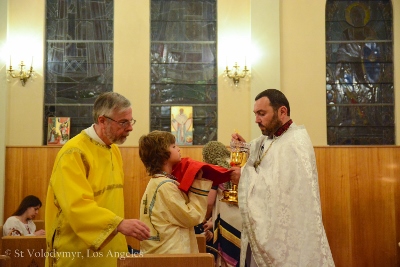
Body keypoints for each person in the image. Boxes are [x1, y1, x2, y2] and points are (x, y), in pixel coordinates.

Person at [230, 89, 335, 267]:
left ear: (282, 112)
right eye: (255, 114)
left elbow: (281, 192)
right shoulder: (269, 139)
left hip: (289, 240)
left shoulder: (295, 143)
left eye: (262, 114)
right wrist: (245, 147)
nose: (256, 120)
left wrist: (245, 178)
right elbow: (265, 160)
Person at [45, 92, 150, 267]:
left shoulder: (113, 150)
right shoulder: (74, 153)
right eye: (123, 122)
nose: (130, 128)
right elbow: (76, 205)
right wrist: (118, 224)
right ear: (102, 120)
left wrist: (118, 227)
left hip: (110, 249)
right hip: (77, 254)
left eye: (131, 121)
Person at [139, 130, 212, 254]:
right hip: (169, 253)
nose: (178, 149)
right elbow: (191, 217)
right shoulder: (165, 186)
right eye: (173, 146)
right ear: (162, 155)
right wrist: (197, 185)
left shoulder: (158, 181)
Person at [202, 141, 242, 267]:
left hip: (226, 221)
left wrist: (203, 219)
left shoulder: (216, 170)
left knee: (225, 259)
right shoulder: (235, 164)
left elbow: (209, 202)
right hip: (240, 218)